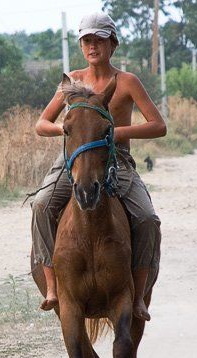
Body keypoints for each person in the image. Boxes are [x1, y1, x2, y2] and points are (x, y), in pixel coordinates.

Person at [31, 12, 165, 321]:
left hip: (116, 159)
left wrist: (114, 133)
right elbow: (41, 123)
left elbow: (158, 125)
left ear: (112, 44)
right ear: (81, 45)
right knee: (40, 205)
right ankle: (52, 286)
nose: (93, 47)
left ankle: (139, 296)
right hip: (74, 159)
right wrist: (67, 132)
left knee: (146, 218)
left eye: (99, 40)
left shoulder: (128, 82)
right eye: (87, 41)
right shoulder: (73, 81)